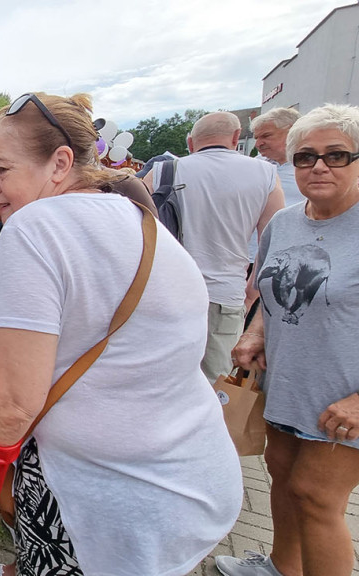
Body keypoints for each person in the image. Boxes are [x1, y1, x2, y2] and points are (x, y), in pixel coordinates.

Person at [0, 92, 242, 575]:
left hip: (108, 503)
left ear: (60, 163)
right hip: (179, 483)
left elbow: (14, 402)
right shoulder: (136, 219)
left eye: (1, 170)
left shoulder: (36, 225)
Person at [215, 104, 359, 576]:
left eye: (337, 155)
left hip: (344, 401)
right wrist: (255, 333)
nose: (318, 166)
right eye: (305, 156)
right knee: (283, 480)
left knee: (317, 499)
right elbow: (267, 292)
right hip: (287, 385)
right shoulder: (286, 223)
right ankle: (281, 567)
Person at [143, 112, 285, 382]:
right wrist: (252, 291)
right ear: (235, 137)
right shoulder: (266, 173)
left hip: (167, 292)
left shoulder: (162, 171)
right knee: (215, 385)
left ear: (190, 142)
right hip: (225, 293)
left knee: (164, 381)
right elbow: (272, 242)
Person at [252, 107, 304, 207]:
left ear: (292, 132)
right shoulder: (254, 166)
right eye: (256, 138)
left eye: (266, 136)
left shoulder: (316, 165)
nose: (258, 144)